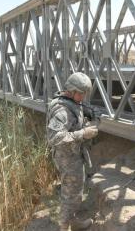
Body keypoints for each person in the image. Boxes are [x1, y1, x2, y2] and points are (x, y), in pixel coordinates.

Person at [47, 72, 98, 231]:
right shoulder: (62, 110)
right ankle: (65, 227)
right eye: (81, 93)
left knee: (75, 193)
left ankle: (72, 221)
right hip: (67, 159)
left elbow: (70, 125)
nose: (83, 97)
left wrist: (84, 120)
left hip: (73, 156)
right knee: (70, 196)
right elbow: (54, 137)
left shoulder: (70, 102)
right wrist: (83, 133)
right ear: (72, 90)